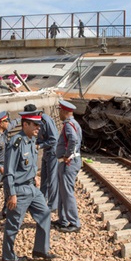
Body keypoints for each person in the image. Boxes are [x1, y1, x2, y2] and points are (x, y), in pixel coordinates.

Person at [2, 109, 57, 261]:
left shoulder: (31, 139)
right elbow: (9, 172)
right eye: (35, 125)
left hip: (32, 188)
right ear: (25, 124)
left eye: (39, 125)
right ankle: (8, 256)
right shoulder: (16, 142)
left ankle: (40, 249)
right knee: (13, 225)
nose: (38, 128)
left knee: (45, 214)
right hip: (19, 190)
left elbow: (29, 164)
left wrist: (34, 177)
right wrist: (11, 194)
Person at [54, 100, 83, 233]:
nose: (59, 113)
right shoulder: (75, 123)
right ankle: (63, 220)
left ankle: (74, 222)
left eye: (60, 110)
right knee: (63, 192)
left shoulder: (68, 125)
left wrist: (67, 154)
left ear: (65, 112)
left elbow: (73, 139)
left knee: (67, 193)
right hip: (70, 161)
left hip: (69, 162)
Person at [23, 104, 59, 212]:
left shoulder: (45, 121)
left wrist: (39, 146)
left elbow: (54, 139)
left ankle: (52, 205)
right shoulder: (37, 121)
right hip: (46, 151)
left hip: (52, 151)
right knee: (44, 178)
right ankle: (41, 202)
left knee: (52, 180)